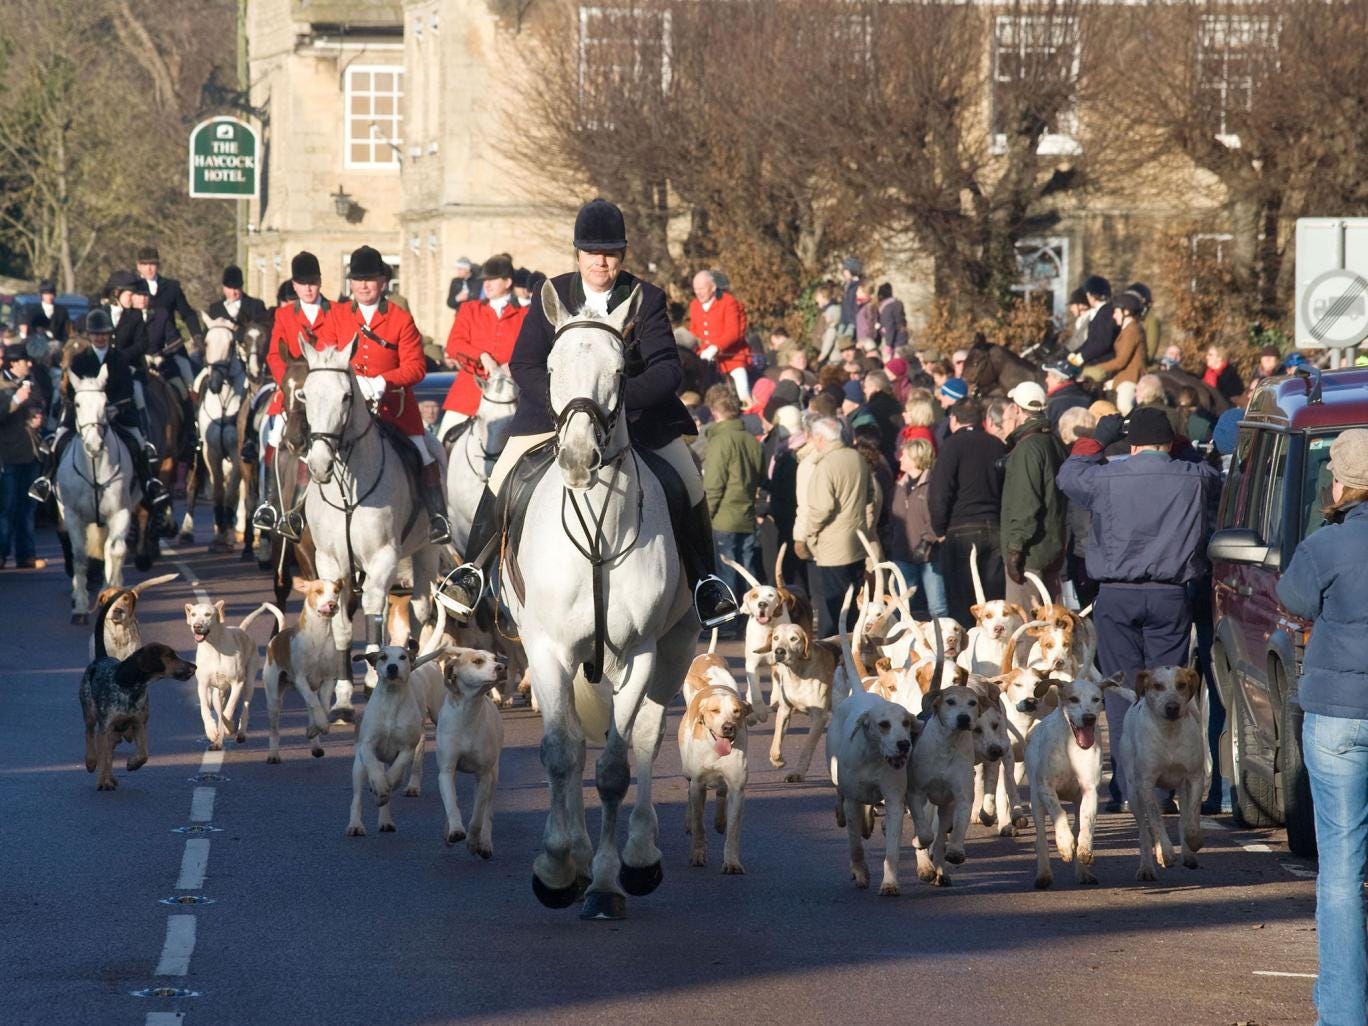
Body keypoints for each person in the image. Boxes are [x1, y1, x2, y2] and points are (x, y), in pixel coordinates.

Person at [442, 198, 738, 628]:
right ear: (577, 253)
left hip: (636, 419)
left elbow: (668, 369)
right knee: (504, 472)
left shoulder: (646, 298)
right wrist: (566, 402)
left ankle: (705, 582)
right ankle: (470, 573)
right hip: (554, 415)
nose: (602, 261)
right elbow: (524, 363)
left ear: (622, 254)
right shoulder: (554, 293)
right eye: (593, 252)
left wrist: (615, 400)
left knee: (686, 477)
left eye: (611, 252)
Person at [1057, 406, 1220, 811]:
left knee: (1123, 690)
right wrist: (1182, 446)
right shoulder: (1192, 477)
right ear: (1169, 443)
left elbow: (1068, 476)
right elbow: (1213, 475)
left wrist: (1096, 438)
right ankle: (1163, 787)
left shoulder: (1107, 475)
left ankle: (1131, 787)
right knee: (1168, 691)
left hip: (1117, 592)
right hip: (1170, 593)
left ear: (1131, 445)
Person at [1275, 429, 1368, 1026]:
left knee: (1340, 870)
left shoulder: (1325, 544)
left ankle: (1342, 1012)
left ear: (1339, 484)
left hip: (1338, 714)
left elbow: (1291, 602)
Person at [314, 245, 451, 545]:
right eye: (358, 279)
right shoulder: (335, 316)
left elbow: (416, 367)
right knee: (318, 448)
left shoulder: (400, 319)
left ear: (383, 282)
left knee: (425, 453)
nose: (363, 285)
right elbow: (324, 356)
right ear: (350, 283)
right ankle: (299, 512)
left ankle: (437, 518)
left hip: (395, 409)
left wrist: (381, 382)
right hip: (346, 408)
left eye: (370, 279)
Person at [27, 310, 171, 522]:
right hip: (85, 415)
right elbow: (71, 392)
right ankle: (45, 481)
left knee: (138, 442)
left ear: (109, 335)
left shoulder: (119, 359)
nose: (100, 338)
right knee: (58, 440)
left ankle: (149, 483)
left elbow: (127, 391)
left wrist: (113, 408)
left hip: (116, 413)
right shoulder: (79, 360)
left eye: (103, 333)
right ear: (89, 336)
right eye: (95, 334)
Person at [253, 251, 337, 538]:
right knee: (275, 436)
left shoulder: (336, 312)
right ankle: (269, 504)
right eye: (303, 284)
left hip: (325, 394)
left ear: (320, 282)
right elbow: (275, 354)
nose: (309, 289)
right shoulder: (284, 314)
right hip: (291, 392)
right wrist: (288, 381)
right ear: (296, 286)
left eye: (313, 282)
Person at [928, 395, 1006, 627]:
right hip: (994, 528)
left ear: (953, 419)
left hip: (961, 529)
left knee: (963, 602)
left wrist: (939, 528)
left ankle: (969, 656)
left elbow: (940, 491)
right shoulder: (997, 445)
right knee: (992, 601)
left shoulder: (951, 446)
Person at [794, 415, 873, 635]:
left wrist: (809, 534)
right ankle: (853, 654)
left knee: (832, 610)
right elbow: (869, 496)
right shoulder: (857, 458)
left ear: (820, 438)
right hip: (857, 541)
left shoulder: (825, 464)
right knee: (852, 605)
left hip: (832, 546)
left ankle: (833, 659)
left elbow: (821, 508)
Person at [437, 253, 528, 440]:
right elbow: (454, 345)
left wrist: (511, 364)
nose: (486, 284)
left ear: (508, 281)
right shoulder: (469, 309)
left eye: (492, 279)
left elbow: (533, 352)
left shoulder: (524, 315)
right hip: (468, 394)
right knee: (441, 443)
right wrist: (482, 356)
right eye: (485, 280)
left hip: (509, 396)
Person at [1001, 381, 1066, 609]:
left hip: (1030, 555)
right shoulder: (1054, 441)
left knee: (1025, 628)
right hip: (1053, 548)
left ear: (1017, 409)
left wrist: (1015, 550)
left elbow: (1025, 504)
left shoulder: (1029, 448)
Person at [702, 384, 763, 626]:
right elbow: (759, 476)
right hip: (747, 514)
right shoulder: (752, 441)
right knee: (747, 572)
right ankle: (754, 620)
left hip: (723, 517)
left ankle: (728, 623)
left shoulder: (720, 442)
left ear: (714, 412)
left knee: (725, 574)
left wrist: (704, 517)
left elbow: (714, 486)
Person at [887, 436, 948, 617]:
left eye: (904, 455)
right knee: (899, 608)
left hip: (930, 555)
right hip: (902, 554)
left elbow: (938, 516)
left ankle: (942, 643)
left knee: (938, 607)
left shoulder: (933, 485)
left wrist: (928, 539)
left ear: (916, 458)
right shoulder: (898, 486)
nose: (900, 458)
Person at [0, 344, 45, 568]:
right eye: (24, 361)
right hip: (8, 455)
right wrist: (16, 400)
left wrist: (37, 415)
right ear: (13, 363)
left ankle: (27, 555)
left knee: (28, 509)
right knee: (7, 508)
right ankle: (1, 554)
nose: (29, 364)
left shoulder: (32, 381)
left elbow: (40, 402)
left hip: (31, 453)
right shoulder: (1, 383)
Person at [689, 269, 751, 403]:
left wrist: (715, 348)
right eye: (695, 289)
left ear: (713, 287)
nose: (698, 293)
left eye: (702, 288)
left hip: (731, 358)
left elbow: (733, 332)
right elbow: (694, 332)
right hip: (705, 359)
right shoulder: (694, 306)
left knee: (742, 388)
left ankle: (748, 407)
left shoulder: (729, 302)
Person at [135, 245, 203, 339]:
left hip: (170, 343)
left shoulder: (172, 287)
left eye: (152, 264)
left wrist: (197, 336)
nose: (149, 269)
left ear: (158, 265)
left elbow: (188, 314)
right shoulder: (133, 287)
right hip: (142, 343)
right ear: (138, 266)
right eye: (145, 265)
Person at [1086, 289, 1146, 386]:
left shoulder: (1132, 330)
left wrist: (1096, 368)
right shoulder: (1126, 329)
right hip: (1123, 376)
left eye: (1116, 312)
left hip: (1131, 379)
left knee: (1123, 400)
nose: (1114, 316)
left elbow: (1120, 361)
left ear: (1126, 312)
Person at [1073, 275, 1118, 378]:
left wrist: (1081, 357)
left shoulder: (1106, 312)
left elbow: (1102, 343)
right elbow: (1091, 341)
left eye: (1088, 294)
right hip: (1096, 358)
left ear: (1092, 295)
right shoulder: (1101, 312)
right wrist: (1076, 353)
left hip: (1103, 360)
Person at [206, 265, 271, 331]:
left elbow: (262, 332)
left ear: (241, 287)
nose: (233, 293)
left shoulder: (256, 306)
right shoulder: (215, 309)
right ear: (223, 287)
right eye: (229, 288)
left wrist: (235, 326)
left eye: (236, 288)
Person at [1043, 357, 1091, 430]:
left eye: (1049, 376)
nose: (1046, 380)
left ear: (1058, 380)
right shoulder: (1084, 395)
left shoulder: (1055, 405)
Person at [876, 283, 907, 353]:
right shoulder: (897, 305)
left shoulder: (887, 309)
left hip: (895, 341)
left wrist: (888, 345)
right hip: (902, 338)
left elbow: (889, 327)